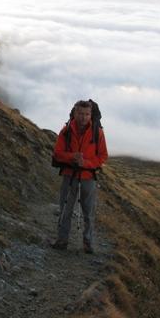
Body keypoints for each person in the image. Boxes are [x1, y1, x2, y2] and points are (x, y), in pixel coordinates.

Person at [51, 100, 108, 253]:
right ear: (75, 113)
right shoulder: (66, 131)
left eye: (87, 114)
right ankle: (62, 241)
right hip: (70, 175)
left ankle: (88, 244)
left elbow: (102, 156)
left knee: (88, 212)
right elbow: (57, 153)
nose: (83, 117)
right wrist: (72, 157)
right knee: (65, 210)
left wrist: (86, 163)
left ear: (91, 115)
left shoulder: (97, 132)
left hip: (88, 177)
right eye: (80, 114)